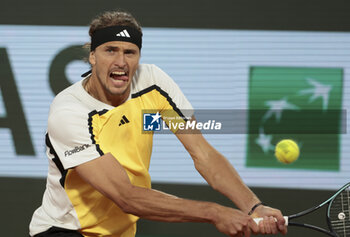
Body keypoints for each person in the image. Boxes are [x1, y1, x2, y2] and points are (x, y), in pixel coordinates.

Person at [29, 9, 288, 237]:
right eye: (111, 50)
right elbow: (126, 196)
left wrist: (253, 206)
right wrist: (214, 212)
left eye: (130, 52)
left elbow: (203, 153)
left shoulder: (153, 82)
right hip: (65, 230)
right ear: (93, 56)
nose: (121, 62)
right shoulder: (69, 112)